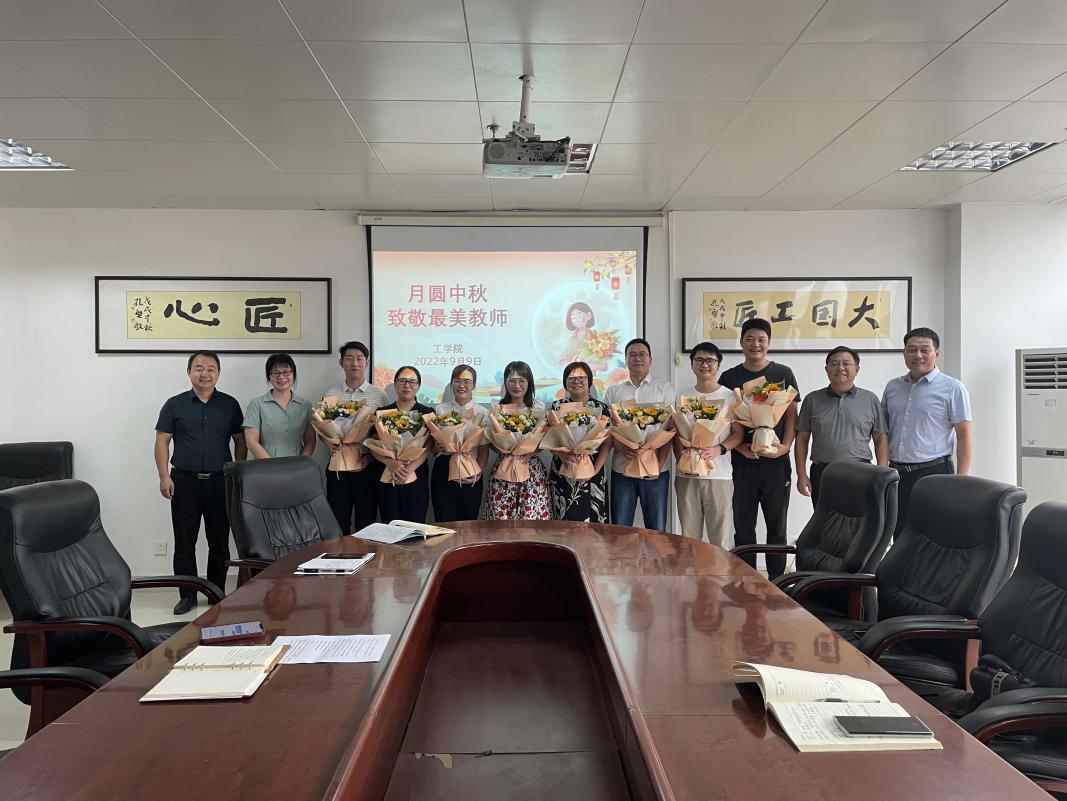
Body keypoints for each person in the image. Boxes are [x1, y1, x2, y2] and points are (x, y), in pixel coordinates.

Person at [154, 351, 246, 615]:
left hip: (220, 482)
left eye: (210, 368)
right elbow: (162, 441)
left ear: (218, 373)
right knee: (185, 542)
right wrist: (164, 476)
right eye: (199, 368)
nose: (204, 373)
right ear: (189, 372)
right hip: (184, 481)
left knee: (219, 542)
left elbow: (240, 441)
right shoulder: (174, 404)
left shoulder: (229, 404)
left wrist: (237, 472)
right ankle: (187, 596)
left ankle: (216, 593)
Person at [718, 319, 800, 579]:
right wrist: (739, 447)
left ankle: (777, 582)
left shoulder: (783, 373)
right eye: (750, 339)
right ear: (741, 343)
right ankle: (746, 580)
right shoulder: (729, 377)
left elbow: (791, 414)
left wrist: (785, 447)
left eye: (761, 339)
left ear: (769, 343)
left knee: (777, 526)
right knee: (743, 526)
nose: (756, 344)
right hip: (742, 464)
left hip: (776, 463)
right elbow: (723, 420)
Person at [882, 327, 972, 535]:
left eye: (925, 350)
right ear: (904, 353)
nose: (918, 355)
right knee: (899, 533)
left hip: (935, 472)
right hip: (897, 474)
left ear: (936, 354)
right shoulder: (892, 387)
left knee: (934, 533)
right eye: (912, 350)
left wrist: (961, 480)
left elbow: (964, 435)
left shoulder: (953, 388)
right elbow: (883, 432)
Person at [795, 346, 888, 507]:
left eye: (846, 363)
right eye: (834, 364)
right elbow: (802, 438)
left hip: (861, 472)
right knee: (824, 519)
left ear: (857, 369)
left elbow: (880, 438)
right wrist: (801, 475)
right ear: (826, 369)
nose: (840, 368)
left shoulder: (870, 399)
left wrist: (882, 474)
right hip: (823, 472)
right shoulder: (812, 400)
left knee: (860, 519)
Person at [674, 342, 743, 547]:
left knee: (719, 538)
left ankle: (720, 570)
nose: (705, 365)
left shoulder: (730, 396)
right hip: (687, 475)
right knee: (689, 537)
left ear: (718, 365)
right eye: (699, 360)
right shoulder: (682, 397)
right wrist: (681, 460)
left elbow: (738, 434)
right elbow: (675, 435)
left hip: (719, 475)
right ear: (692, 364)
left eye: (710, 360)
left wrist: (719, 449)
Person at [604, 338, 674, 531]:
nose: (637, 358)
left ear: (650, 359)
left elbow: (670, 429)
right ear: (626, 360)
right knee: (620, 528)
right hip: (622, 467)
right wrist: (621, 447)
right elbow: (607, 429)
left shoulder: (664, 388)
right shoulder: (613, 391)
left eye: (642, 354)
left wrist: (659, 465)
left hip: (656, 471)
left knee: (656, 529)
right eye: (632, 355)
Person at [323, 340, 389, 533]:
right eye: (349, 358)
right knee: (338, 520)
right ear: (341, 362)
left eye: (360, 359)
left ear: (367, 362)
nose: (355, 363)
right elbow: (322, 428)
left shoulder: (379, 395)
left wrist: (370, 458)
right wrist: (329, 445)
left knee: (367, 522)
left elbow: (384, 435)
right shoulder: (331, 393)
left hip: (367, 467)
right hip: (337, 466)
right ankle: (339, 553)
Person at [482, 360, 551, 520]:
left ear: (529, 383)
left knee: (530, 519)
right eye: (512, 380)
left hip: (530, 468)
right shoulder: (497, 408)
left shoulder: (538, 407)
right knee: (501, 519)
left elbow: (545, 439)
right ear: (505, 383)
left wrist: (531, 451)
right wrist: (502, 450)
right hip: (504, 468)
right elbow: (489, 438)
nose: (517, 385)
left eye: (522, 380)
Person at [549, 361, 613, 522]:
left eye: (581, 377)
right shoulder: (556, 407)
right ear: (565, 382)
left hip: (593, 468)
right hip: (564, 468)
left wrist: (595, 470)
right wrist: (561, 455)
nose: (576, 381)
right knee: (564, 520)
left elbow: (607, 442)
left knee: (594, 522)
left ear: (589, 380)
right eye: (571, 378)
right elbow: (548, 438)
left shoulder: (602, 408)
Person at [374, 366, 434, 524]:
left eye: (412, 382)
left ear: (418, 386)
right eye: (402, 381)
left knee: (415, 525)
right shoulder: (382, 412)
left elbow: (429, 445)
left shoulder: (427, 412)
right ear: (395, 384)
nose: (407, 385)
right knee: (390, 524)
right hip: (389, 475)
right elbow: (373, 445)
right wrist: (391, 463)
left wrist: (410, 468)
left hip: (416, 476)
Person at [431, 364, 490, 523]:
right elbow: (433, 447)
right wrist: (437, 447)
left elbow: (484, 449)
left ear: (474, 385)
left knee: (468, 523)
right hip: (444, 468)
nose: (461, 385)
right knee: (444, 521)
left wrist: (478, 473)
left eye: (466, 381)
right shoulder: (440, 410)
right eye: (457, 381)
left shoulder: (483, 413)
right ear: (451, 384)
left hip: (471, 468)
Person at [243, 353, 315, 459]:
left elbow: (310, 441)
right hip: (266, 465)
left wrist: (301, 463)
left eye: (286, 372)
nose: (281, 376)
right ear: (269, 376)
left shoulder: (306, 405)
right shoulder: (256, 404)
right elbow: (251, 441)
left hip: (298, 465)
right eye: (275, 373)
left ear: (294, 374)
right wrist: (272, 465)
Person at [559, 301, 595, 366]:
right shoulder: (570, 337)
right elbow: (561, 357)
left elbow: (602, 362)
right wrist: (567, 364)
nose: (576, 320)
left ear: (588, 316)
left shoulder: (595, 336)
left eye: (579, 316)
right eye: (573, 318)